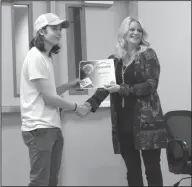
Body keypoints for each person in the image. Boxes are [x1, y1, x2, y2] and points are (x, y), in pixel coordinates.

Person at [77, 16, 166, 186]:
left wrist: (122, 89)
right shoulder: (114, 59)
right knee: (132, 171)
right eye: (132, 29)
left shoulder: (148, 55)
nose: (136, 33)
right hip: (123, 121)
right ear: (124, 33)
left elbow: (151, 85)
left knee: (152, 169)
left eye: (139, 30)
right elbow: (104, 87)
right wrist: (89, 104)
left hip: (147, 122)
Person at [20, 13, 87, 186]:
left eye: (60, 29)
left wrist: (68, 85)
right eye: (54, 29)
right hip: (39, 127)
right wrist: (76, 107)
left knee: (51, 181)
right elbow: (49, 98)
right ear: (42, 32)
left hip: (51, 126)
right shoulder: (35, 57)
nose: (59, 33)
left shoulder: (46, 58)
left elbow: (49, 92)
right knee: (40, 182)